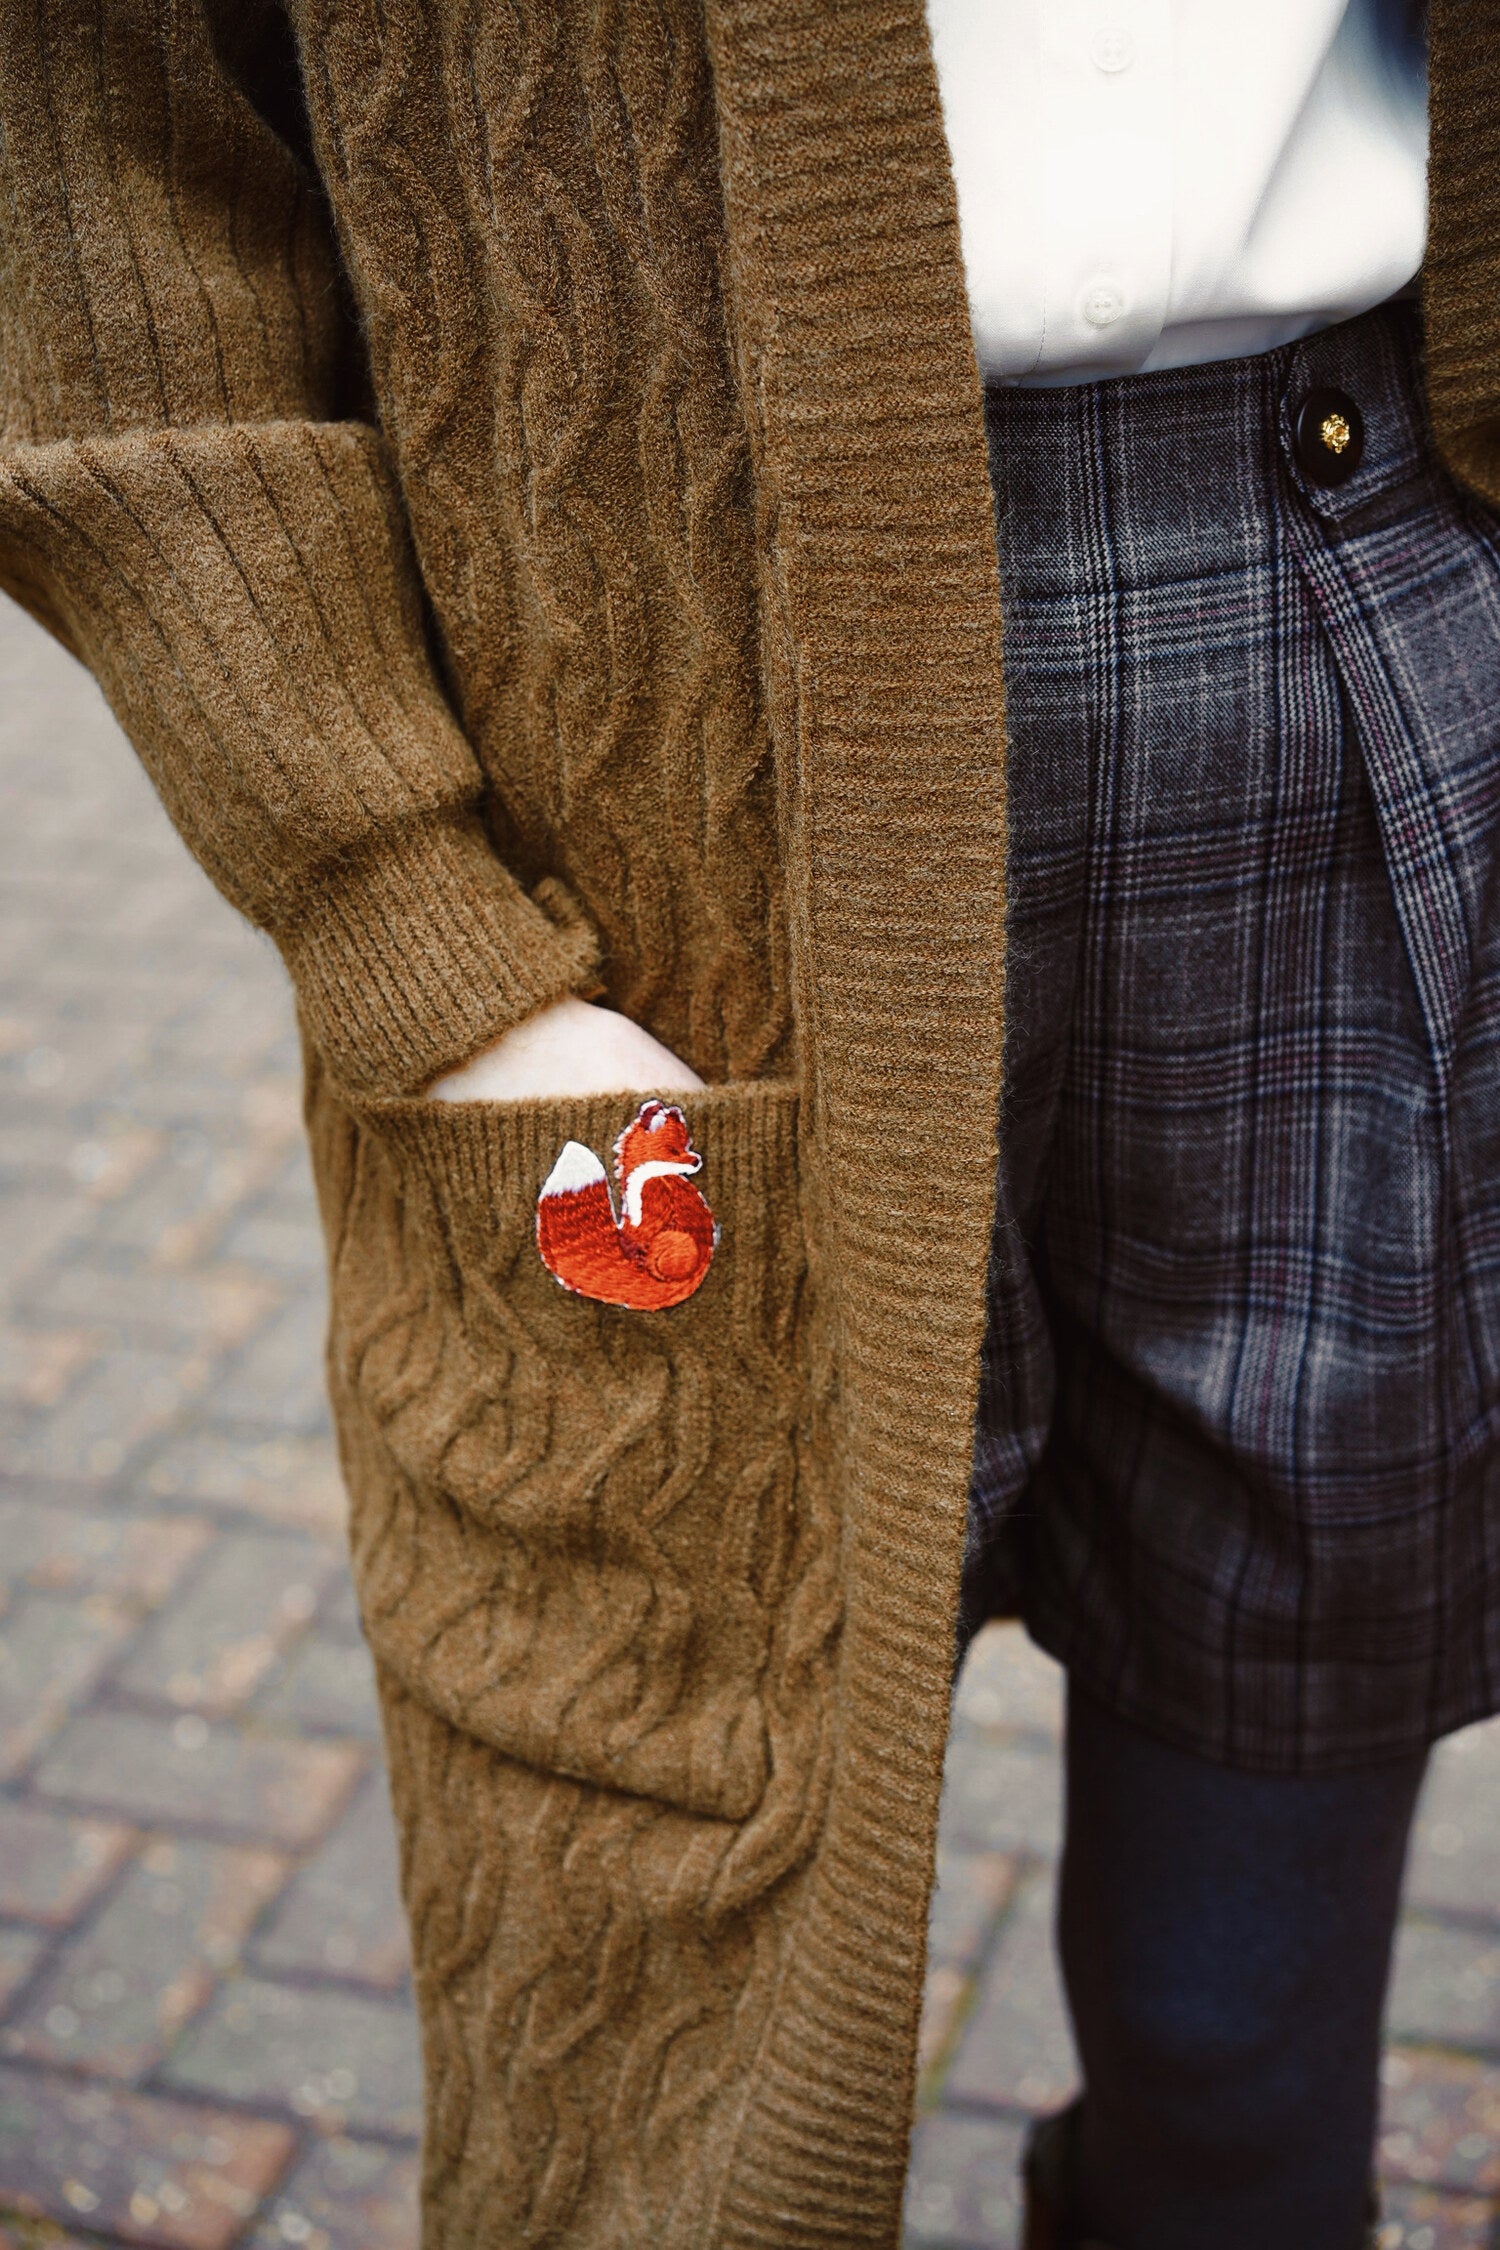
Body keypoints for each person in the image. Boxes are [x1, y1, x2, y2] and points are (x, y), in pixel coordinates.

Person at [0, 3, 1489, 2245]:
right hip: (648, 778)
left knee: (1249, 2036)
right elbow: (83, 136)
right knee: (664, 2071)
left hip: (1356, 596)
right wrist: (407, 915)